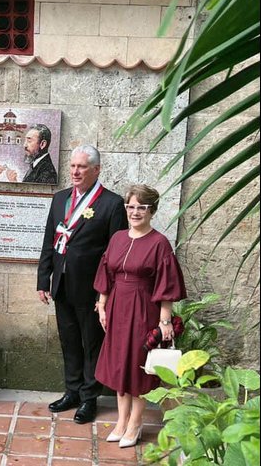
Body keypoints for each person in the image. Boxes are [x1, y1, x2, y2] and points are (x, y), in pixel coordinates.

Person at [37, 145, 128, 424]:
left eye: (82, 167)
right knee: (69, 342)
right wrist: (44, 279)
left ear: (96, 169)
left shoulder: (111, 204)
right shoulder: (60, 198)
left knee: (91, 345)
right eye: (73, 166)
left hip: (92, 290)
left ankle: (89, 398)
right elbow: (49, 241)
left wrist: (108, 293)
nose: (75, 172)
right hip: (61, 285)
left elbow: (116, 252)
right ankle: (72, 391)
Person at [95, 184, 186, 448]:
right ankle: (121, 422)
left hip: (143, 310)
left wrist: (165, 320)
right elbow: (106, 273)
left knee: (138, 368)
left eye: (141, 207)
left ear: (152, 210)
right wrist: (102, 304)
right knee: (119, 365)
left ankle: (135, 424)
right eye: (131, 206)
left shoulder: (159, 243)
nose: (135, 212)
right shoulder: (118, 238)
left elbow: (166, 285)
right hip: (116, 308)